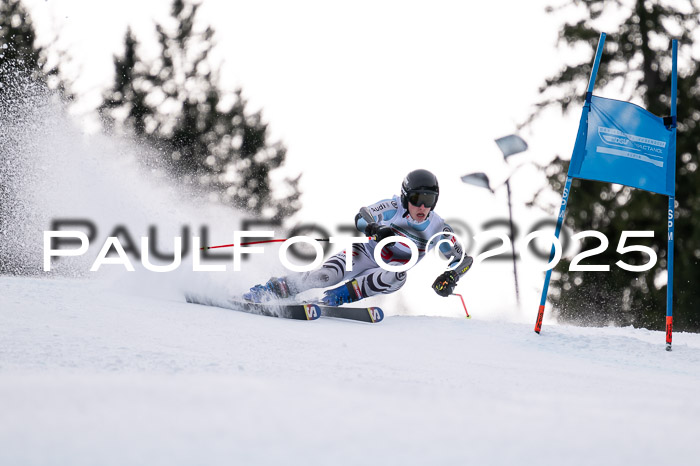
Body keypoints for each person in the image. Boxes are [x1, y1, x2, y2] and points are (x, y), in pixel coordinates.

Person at [243, 169, 473, 306]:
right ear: (405, 197)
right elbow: (361, 217)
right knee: (325, 275)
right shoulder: (393, 206)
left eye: (429, 200)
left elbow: (462, 259)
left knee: (397, 274)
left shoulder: (438, 228)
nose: (422, 206)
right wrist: (374, 228)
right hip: (363, 254)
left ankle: (340, 296)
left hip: (390, 270)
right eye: (416, 198)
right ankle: (274, 289)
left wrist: (451, 276)